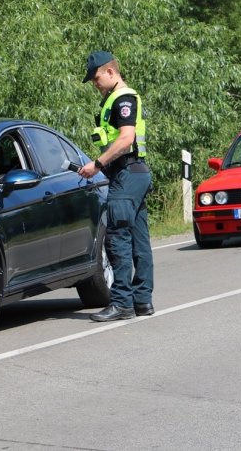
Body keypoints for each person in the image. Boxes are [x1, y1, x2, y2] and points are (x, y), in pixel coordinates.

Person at [78, 50, 155, 322]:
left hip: (127, 174)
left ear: (110, 72)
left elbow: (125, 139)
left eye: (97, 78)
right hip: (134, 173)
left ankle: (122, 303)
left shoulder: (123, 98)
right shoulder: (115, 99)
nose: (95, 84)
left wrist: (97, 165)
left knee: (117, 238)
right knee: (138, 239)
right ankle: (143, 301)